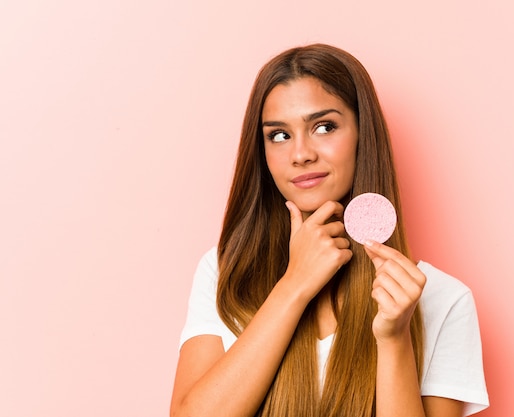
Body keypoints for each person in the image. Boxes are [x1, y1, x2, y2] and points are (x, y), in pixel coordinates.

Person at [170, 44, 489, 417]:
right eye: (278, 135)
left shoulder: (442, 299)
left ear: (362, 134)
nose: (300, 153)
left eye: (324, 127)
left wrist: (394, 338)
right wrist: (294, 285)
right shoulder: (226, 270)